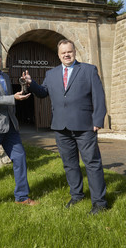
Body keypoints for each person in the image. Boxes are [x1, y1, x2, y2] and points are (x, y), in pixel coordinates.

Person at [22, 39, 108, 215]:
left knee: (92, 164)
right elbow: (43, 93)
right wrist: (31, 83)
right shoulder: (51, 74)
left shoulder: (88, 70)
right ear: (58, 55)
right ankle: (77, 195)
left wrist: (98, 121)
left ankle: (100, 202)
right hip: (61, 128)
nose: (66, 55)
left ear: (74, 51)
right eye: (63, 53)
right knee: (70, 165)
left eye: (69, 51)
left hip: (85, 127)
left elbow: (99, 97)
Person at [0, 48, 38, 216]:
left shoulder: (5, 76)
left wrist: (23, 87)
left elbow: (9, 97)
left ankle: (21, 197)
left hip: (10, 126)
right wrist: (14, 98)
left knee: (20, 158)